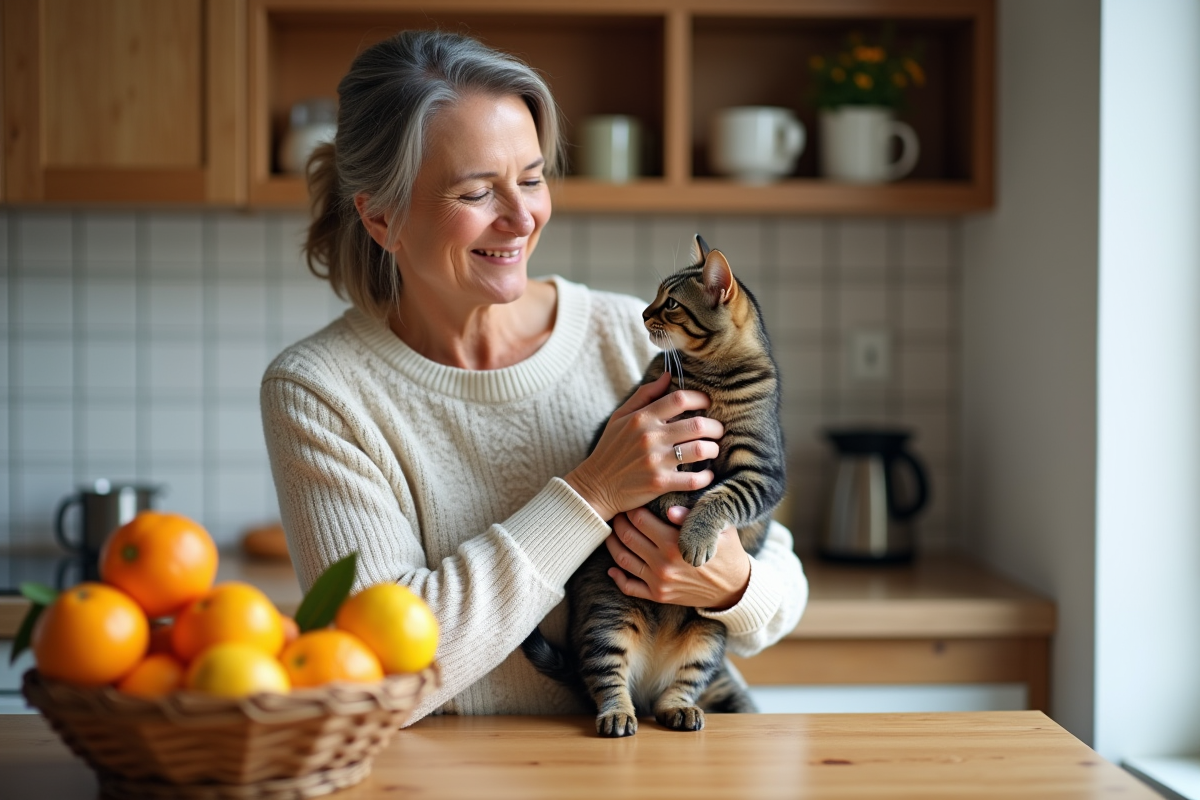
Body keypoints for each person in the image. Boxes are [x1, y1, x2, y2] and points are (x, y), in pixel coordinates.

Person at [260, 29, 807, 723]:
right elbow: (379, 669)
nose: (522, 218)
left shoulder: (627, 335)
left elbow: (783, 587)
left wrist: (732, 587)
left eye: (531, 178)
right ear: (381, 217)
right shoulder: (320, 392)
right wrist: (593, 490)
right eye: (476, 192)